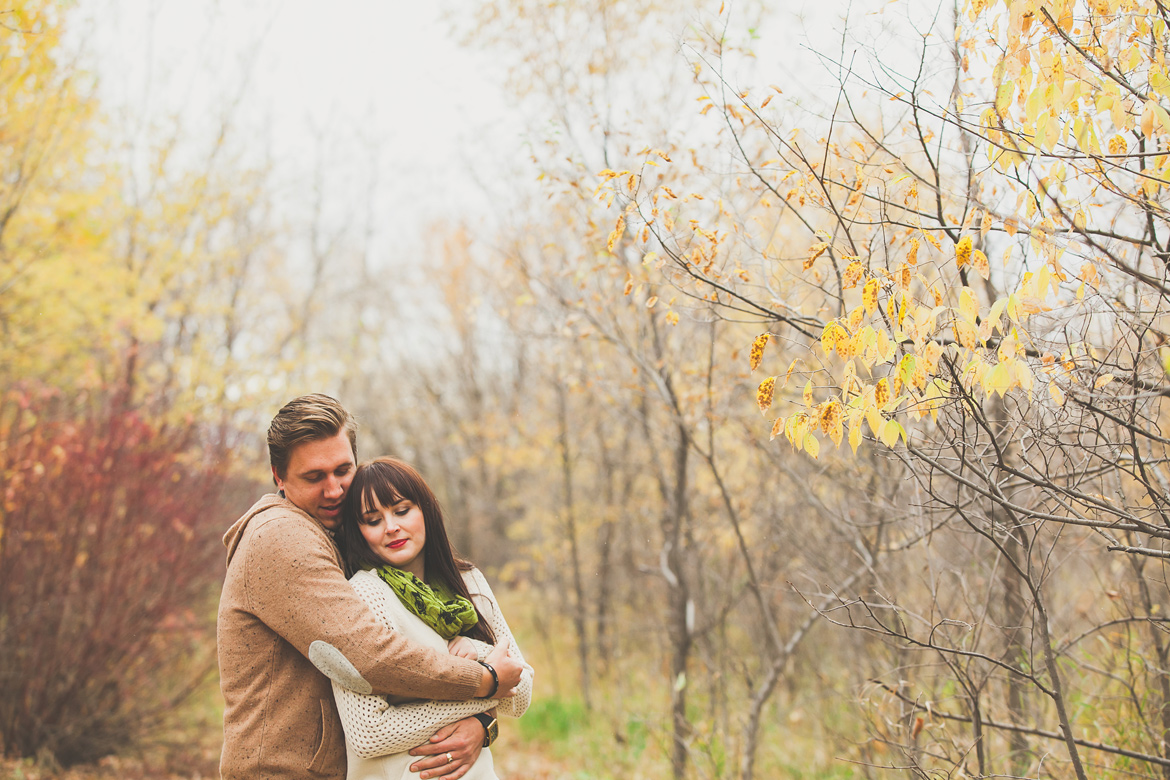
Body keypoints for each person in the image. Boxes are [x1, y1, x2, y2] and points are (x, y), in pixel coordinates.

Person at [217, 394, 523, 780]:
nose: (334, 490)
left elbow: (519, 680)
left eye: (343, 470)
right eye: (314, 477)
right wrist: (483, 682)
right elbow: (367, 657)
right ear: (279, 476)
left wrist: (483, 723)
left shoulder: (339, 537)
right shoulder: (282, 537)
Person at [331, 457, 533, 780]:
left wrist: (478, 653)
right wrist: (485, 693)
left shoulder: (468, 581)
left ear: (425, 509)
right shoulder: (363, 595)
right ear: (359, 533)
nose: (391, 527)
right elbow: (367, 733)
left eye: (401, 510)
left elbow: (522, 691)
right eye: (373, 520)